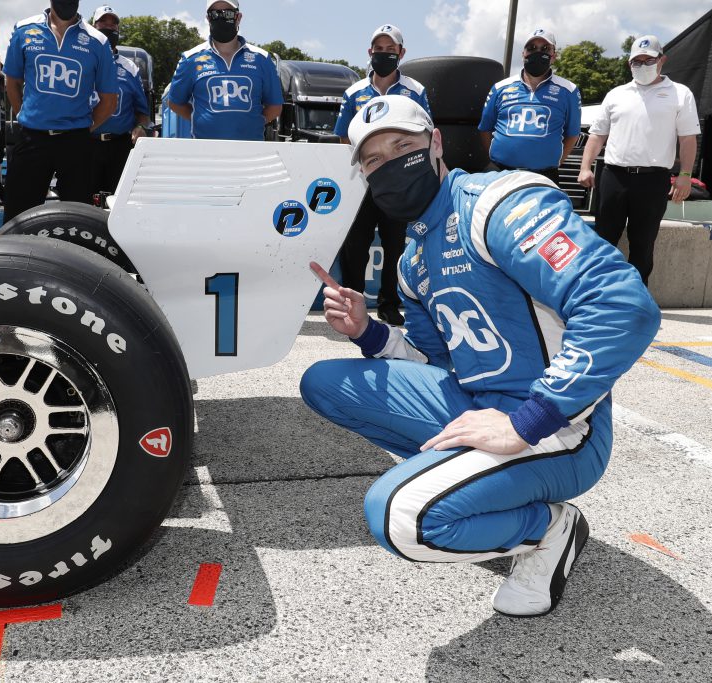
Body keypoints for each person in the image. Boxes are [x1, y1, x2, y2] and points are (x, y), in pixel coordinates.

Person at [300, 95, 660, 618]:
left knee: (405, 518)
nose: (391, 165)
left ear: (436, 143)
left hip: (561, 428)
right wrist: (367, 333)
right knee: (323, 382)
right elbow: (434, 362)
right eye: (374, 160)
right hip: (478, 402)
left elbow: (622, 306)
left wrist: (525, 423)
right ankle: (475, 484)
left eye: (403, 146)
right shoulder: (413, 259)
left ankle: (550, 527)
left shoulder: (497, 204)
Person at [577, 35, 699, 286]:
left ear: (662, 60)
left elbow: (687, 139)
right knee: (602, 239)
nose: (642, 65)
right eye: (637, 61)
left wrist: (686, 176)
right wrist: (585, 167)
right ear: (629, 64)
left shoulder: (680, 93)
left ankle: (635, 299)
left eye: (648, 60)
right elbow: (597, 135)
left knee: (643, 243)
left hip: (653, 179)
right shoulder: (616, 94)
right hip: (614, 175)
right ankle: (597, 295)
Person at [333, 24, 432, 326]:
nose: (384, 54)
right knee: (356, 246)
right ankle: (353, 301)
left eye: (391, 50)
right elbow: (343, 137)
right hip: (361, 184)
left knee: (395, 245)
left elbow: (426, 131)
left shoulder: (415, 91)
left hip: (399, 183)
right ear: (370, 52)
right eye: (379, 49)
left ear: (401, 53)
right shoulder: (354, 92)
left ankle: (390, 303)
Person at [2, 0, 119, 221]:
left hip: (75, 143)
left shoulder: (98, 41)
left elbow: (109, 100)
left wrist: (82, 127)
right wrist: (25, 116)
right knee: (17, 216)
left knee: (77, 219)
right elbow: (12, 81)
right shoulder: (24, 29)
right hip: (32, 138)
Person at [167, 0, 282, 140]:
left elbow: (275, 106)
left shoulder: (262, 59)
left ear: (238, 17)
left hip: (252, 151)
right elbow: (175, 102)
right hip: (205, 151)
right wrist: (199, 118)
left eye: (227, 13)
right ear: (208, 18)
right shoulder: (190, 59)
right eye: (215, 14)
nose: (220, 17)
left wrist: (254, 122)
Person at [478, 28, 581, 184]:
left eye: (545, 49)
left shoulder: (569, 90)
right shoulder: (500, 88)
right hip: (500, 172)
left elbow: (573, 134)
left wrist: (555, 162)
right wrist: (494, 157)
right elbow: (485, 128)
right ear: (523, 54)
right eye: (531, 48)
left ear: (554, 56)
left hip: (544, 176)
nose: (537, 52)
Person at [88, 6, 151, 194]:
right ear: (93, 26)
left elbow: (142, 110)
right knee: (80, 202)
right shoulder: (81, 58)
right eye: (103, 23)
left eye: (113, 24)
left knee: (118, 202)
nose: (109, 27)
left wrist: (141, 127)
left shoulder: (130, 67)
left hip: (119, 148)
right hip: (85, 144)